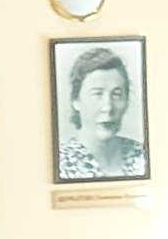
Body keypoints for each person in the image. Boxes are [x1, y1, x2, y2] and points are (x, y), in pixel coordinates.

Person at [57, 48, 145, 180]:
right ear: (76, 101)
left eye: (116, 94)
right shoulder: (60, 163)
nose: (108, 107)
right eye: (97, 94)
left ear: (127, 101)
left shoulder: (142, 155)